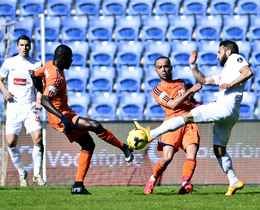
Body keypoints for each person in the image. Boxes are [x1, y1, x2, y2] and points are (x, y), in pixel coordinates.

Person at [134, 40, 254, 196]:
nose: (217, 56)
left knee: (187, 118)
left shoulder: (235, 58)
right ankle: (234, 181)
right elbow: (203, 80)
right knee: (218, 150)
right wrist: (193, 66)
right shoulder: (226, 72)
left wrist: (231, 84)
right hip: (229, 115)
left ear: (228, 52)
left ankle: (150, 135)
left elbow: (248, 72)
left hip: (224, 108)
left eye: (219, 52)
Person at [29, 44, 134, 195]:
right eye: (70, 58)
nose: (72, 61)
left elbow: (34, 75)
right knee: (95, 125)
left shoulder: (48, 65)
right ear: (63, 58)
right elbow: (45, 100)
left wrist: (40, 88)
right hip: (62, 117)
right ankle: (123, 147)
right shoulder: (56, 77)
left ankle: (78, 186)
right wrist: (61, 117)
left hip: (64, 113)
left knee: (88, 145)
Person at [142, 56, 201, 195]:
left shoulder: (181, 82)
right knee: (167, 158)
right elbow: (173, 105)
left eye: (166, 66)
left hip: (189, 121)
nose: (164, 69)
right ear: (156, 71)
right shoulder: (157, 89)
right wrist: (190, 91)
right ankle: (153, 178)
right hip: (172, 123)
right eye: (160, 67)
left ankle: (185, 184)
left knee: (192, 154)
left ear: (171, 68)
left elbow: (186, 101)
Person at [0, 35, 46, 186]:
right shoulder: (9, 63)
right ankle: (22, 172)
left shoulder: (37, 63)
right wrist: (5, 92)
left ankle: (38, 175)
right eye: (22, 45)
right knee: (11, 142)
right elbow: (0, 79)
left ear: (30, 47)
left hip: (30, 107)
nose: (24, 48)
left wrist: (39, 100)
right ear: (17, 46)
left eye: (27, 45)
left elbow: (41, 86)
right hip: (14, 108)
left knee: (38, 138)